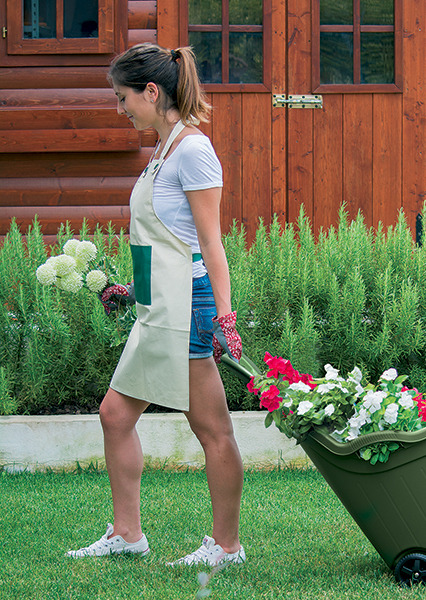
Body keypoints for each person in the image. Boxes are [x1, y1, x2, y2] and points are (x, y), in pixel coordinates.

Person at [66, 43, 245, 568]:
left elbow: (209, 242)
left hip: (186, 306)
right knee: (114, 415)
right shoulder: (162, 150)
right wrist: (132, 288)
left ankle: (227, 547)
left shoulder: (193, 150)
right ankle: (127, 535)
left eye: (123, 98)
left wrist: (225, 316)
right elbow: (165, 241)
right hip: (157, 304)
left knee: (212, 430)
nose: (120, 108)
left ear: (151, 91)